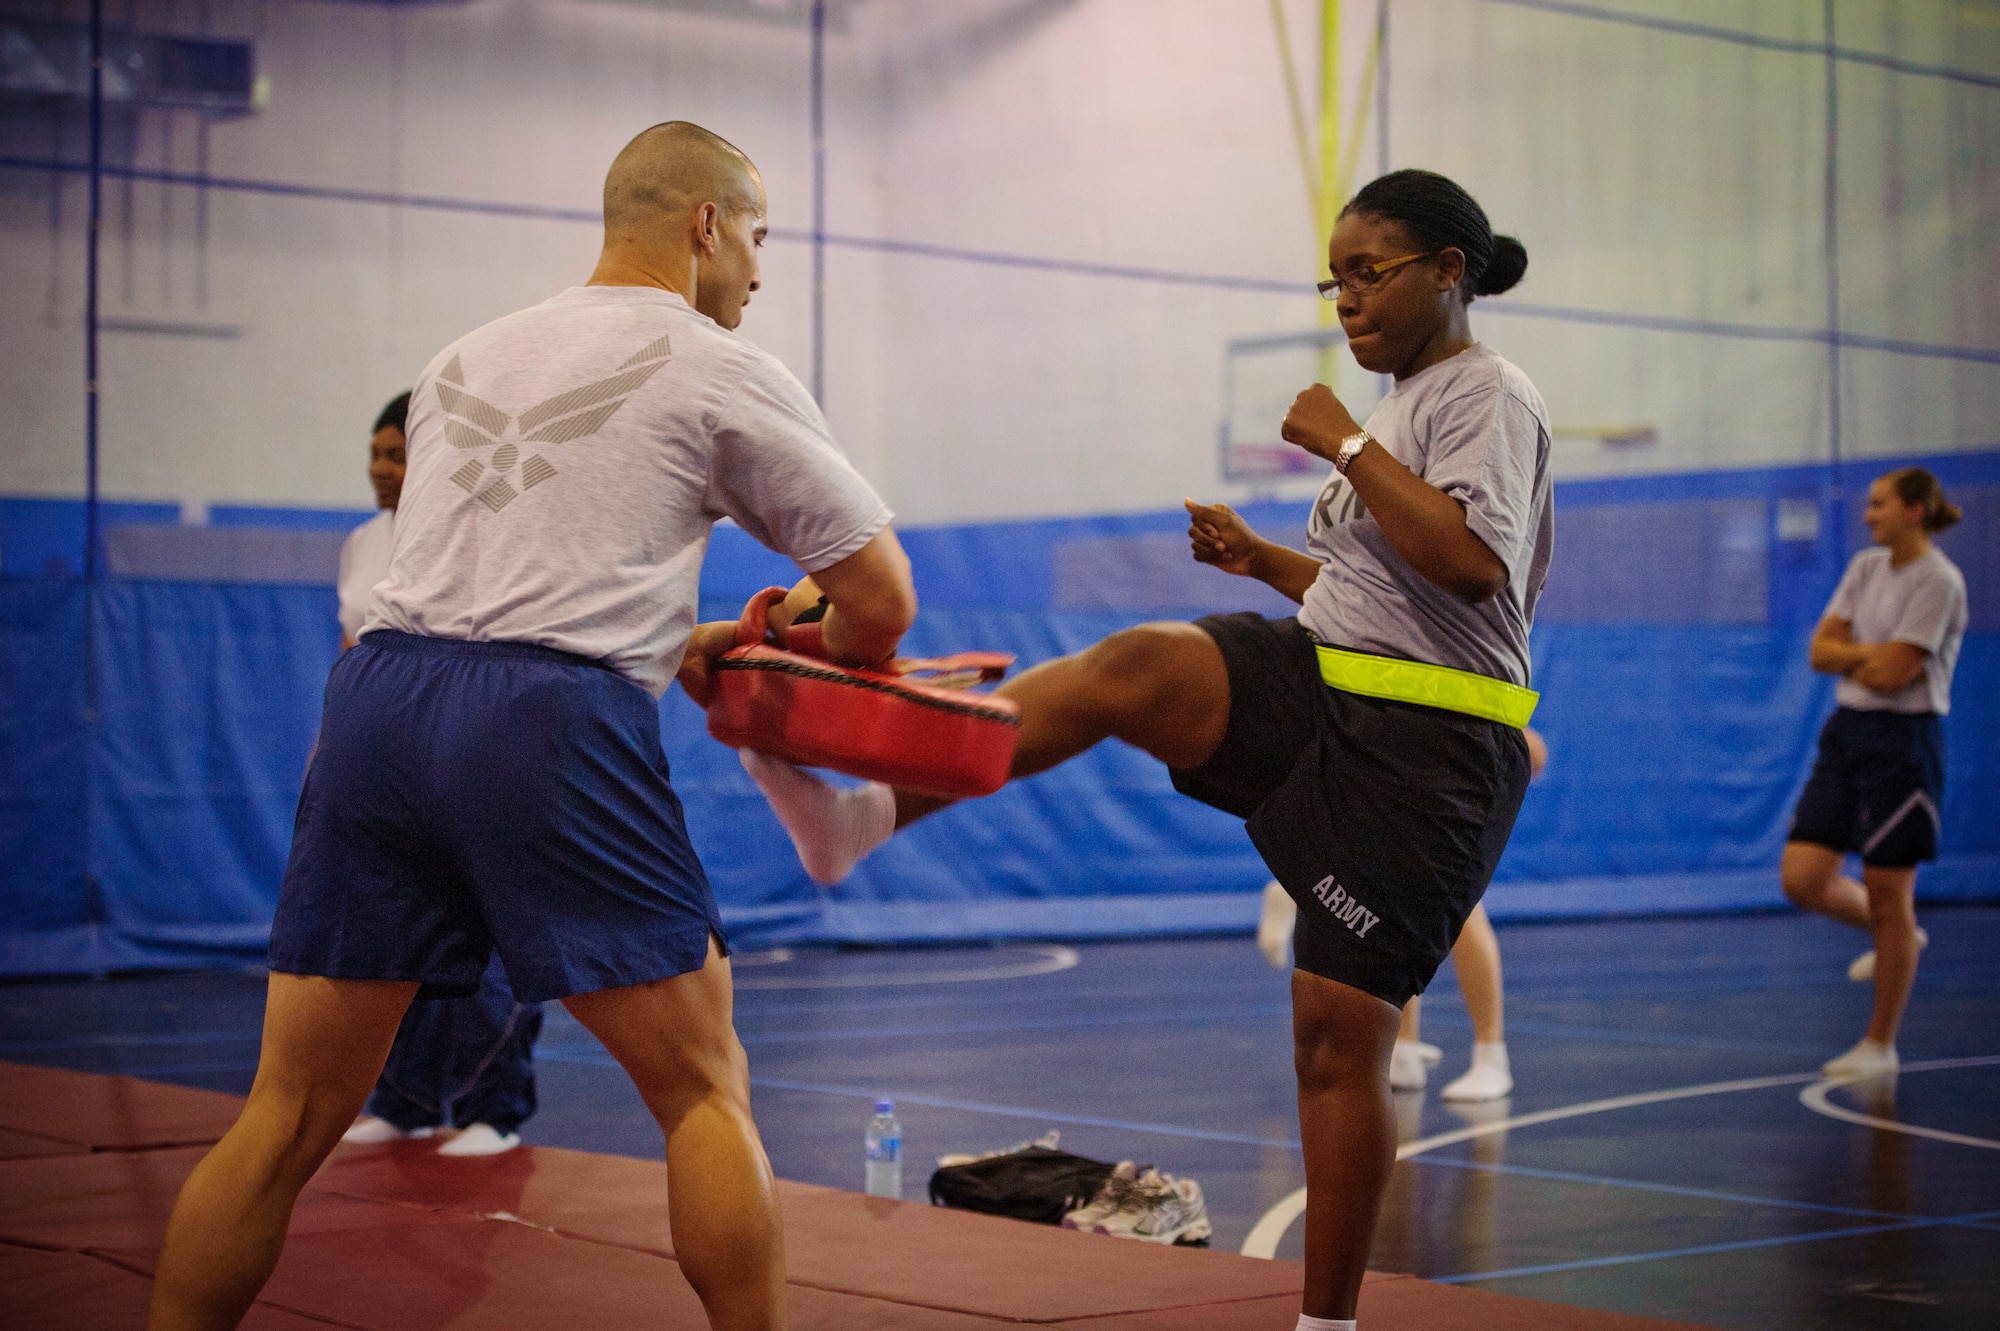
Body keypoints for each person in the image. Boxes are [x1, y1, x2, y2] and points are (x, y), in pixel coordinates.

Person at [730, 168, 1551, 1331]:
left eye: (1368, 273)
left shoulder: (1486, 393)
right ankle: (863, 815)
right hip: (1327, 680)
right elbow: (1384, 590)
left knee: (1334, 1034)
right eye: (1334, 279)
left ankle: (1327, 1320)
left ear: (1447, 271)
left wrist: (1344, 440)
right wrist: (1262, 560)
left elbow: (1470, 566)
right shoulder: (1404, 409)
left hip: (1425, 749)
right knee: (1138, 664)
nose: (1345, 299)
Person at [149, 121, 917, 1331]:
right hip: (545, 724)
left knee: (284, 1112)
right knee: (704, 1092)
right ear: (706, 225)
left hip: (377, 707)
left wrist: (682, 645)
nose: (761, 273)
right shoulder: (719, 361)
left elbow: (498, 588)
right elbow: (882, 601)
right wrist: (824, 665)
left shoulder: (465, 355)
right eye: (760, 237)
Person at [332, 391, 548, 1157]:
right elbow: (356, 651)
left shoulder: (472, 533)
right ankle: (409, 1097)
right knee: (404, 941)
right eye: (375, 453)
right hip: (389, 763)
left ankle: (499, 1106)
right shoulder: (362, 545)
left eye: (397, 454)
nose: (381, 469)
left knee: (492, 945)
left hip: (477, 752)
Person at [1781, 468, 1966, 1079]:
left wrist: (1854, 657)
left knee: (1891, 896)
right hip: (1849, 734)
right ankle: (1899, 940)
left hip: (1904, 745)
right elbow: (1820, 651)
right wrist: (1866, 656)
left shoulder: (1938, 582)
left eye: (1880, 505)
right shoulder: (1865, 569)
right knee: (1804, 878)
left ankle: (1879, 1045)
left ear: (1915, 511)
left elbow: (1896, 676)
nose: (1868, 516)